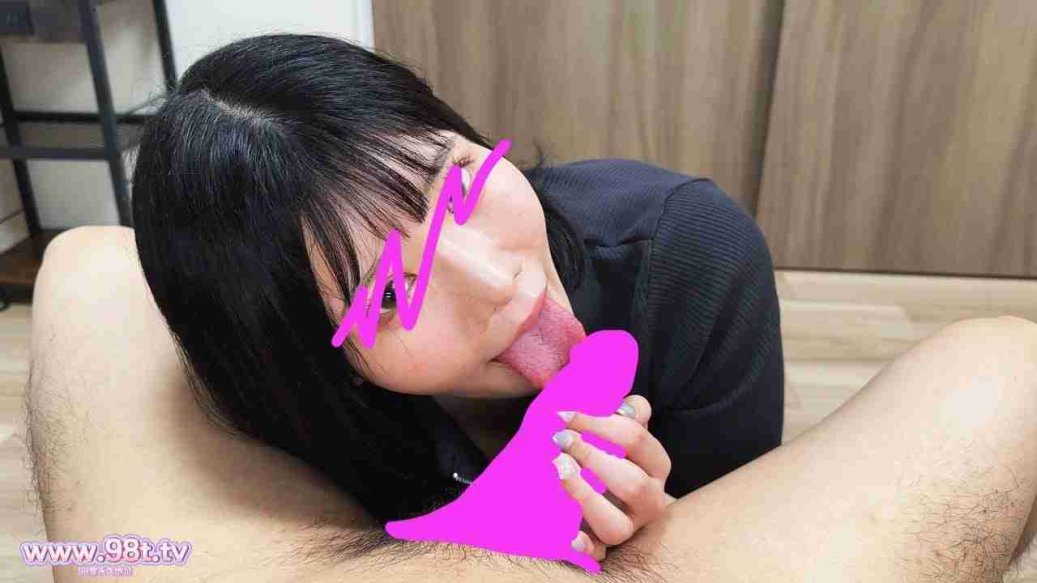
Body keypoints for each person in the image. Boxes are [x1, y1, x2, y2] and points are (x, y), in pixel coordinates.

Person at [24, 34, 1036, 582]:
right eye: (391, 292)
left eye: (458, 182)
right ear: (315, 362)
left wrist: (655, 525)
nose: (498, 279)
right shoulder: (285, 406)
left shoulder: (682, 255)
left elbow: (748, 515)